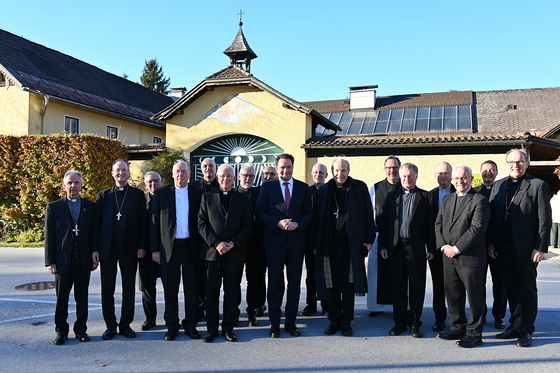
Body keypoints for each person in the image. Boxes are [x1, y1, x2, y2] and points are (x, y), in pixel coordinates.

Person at [489, 149, 552, 347]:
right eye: (511, 162)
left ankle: (526, 330)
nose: (515, 165)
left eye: (519, 162)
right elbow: (493, 218)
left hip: (526, 250)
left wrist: (540, 247)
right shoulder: (499, 186)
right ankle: (515, 324)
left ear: (526, 164)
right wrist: (492, 242)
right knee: (511, 289)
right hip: (504, 248)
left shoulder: (537, 185)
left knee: (527, 290)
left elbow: (544, 219)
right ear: (506, 164)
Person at [314, 158, 375, 336]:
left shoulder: (359, 187)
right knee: (332, 285)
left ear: (349, 171)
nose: (340, 174)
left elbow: (368, 215)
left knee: (348, 285)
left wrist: (369, 240)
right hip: (329, 245)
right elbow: (317, 220)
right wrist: (316, 245)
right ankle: (334, 321)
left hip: (352, 245)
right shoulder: (324, 190)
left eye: (343, 171)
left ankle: (347, 322)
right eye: (337, 171)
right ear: (332, 171)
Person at [256, 153, 313, 338]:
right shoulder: (268, 187)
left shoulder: (303, 188)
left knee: (294, 284)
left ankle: (290, 322)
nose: (285, 170)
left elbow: (309, 213)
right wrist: (277, 223)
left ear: (293, 167)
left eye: (288, 167)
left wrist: (298, 223)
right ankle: (274, 324)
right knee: (274, 284)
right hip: (274, 243)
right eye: (282, 167)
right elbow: (260, 212)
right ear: (277, 167)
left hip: (296, 243)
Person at [378, 163, 436, 338]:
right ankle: (399, 322)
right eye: (404, 176)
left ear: (416, 176)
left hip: (416, 249)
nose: (406, 179)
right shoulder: (391, 196)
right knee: (398, 288)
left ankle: (415, 324)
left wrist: (431, 248)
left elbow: (431, 226)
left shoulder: (426, 197)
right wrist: (383, 246)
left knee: (417, 288)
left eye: (410, 176)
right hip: (396, 249)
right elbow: (385, 224)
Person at [435, 165, 490, 348]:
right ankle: (457, 326)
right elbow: (438, 224)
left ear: (471, 179)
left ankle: (475, 334)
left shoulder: (479, 200)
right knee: (453, 295)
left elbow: (477, 229)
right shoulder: (447, 199)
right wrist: (443, 246)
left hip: (470, 258)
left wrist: (456, 248)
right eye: (456, 178)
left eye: (464, 178)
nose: (460, 181)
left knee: (475, 298)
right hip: (448, 257)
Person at [151, 160, 204, 341]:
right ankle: (172, 325)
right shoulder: (161, 193)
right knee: (170, 290)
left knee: (192, 289)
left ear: (189, 174)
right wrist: (155, 250)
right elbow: (154, 224)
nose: (180, 174)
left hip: (191, 247)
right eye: (177, 171)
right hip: (168, 249)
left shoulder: (198, 193)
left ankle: (191, 324)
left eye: (184, 171)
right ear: (172, 174)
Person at [198, 164, 252, 342]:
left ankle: (228, 328)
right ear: (217, 177)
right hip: (212, 254)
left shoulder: (243, 199)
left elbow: (247, 225)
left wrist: (232, 243)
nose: (225, 179)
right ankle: (211, 330)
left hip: (234, 253)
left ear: (235, 179)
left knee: (231, 293)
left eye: (229, 176)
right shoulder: (207, 197)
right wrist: (216, 243)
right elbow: (201, 224)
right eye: (222, 176)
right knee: (211, 294)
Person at [92, 160, 145, 340]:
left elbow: (142, 224)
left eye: (124, 170)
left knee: (128, 288)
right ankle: (110, 325)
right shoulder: (103, 195)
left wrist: (141, 246)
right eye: (118, 170)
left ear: (128, 173)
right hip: (108, 249)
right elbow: (96, 225)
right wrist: (95, 249)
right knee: (108, 289)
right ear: (112, 173)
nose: (121, 173)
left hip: (129, 248)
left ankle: (125, 324)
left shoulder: (138, 195)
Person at [45, 170, 96, 345]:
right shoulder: (54, 207)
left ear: (82, 185)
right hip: (62, 261)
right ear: (64, 185)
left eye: (76, 183)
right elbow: (49, 237)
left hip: (83, 260)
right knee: (62, 299)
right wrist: (50, 261)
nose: (73, 186)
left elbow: (93, 234)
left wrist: (94, 254)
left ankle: (81, 330)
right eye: (70, 183)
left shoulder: (90, 206)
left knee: (82, 298)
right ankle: (61, 331)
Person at [474, 160, 507, 329]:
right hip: (478, 246)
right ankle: (480, 313)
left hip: (497, 246)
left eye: (491, 170)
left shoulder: (503, 191)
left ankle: (499, 315)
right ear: (481, 173)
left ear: (496, 172)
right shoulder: (475, 192)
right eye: (485, 170)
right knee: (478, 283)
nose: (488, 173)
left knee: (499, 283)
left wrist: (494, 243)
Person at [367, 156, 401, 316]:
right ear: (385, 169)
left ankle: (401, 305)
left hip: (400, 237)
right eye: (389, 167)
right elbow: (368, 214)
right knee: (375, 272)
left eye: (395, 167)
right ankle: (375, 307)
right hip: (378, 235)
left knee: (400, 273)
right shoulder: (375, 188)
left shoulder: (407, 185)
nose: (392, 170)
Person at [189, 157, 220, 320]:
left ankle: (216, 309)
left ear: (216, 168)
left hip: (218, 241)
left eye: (211, 166)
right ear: (201, 169)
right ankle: (200, 309)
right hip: (198, 240)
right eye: (205, 166)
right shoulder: (193, 187)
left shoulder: (222, 185)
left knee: (216, 281)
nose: (208, 168)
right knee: (199, 278)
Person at [237, 164, 266, 326]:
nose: (248, 179)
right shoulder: (233, 193)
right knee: (233, 281)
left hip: (256, 244)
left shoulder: (259, 192)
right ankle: (234, 311)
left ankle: (252, 310)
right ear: (239, 176)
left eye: (251, 176)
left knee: (254, 280)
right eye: (245, 176)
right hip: (237, 244)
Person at [428, 161, 454, 332]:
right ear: (435, 175)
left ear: (451, 174)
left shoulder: (460, 192)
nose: (442, 176)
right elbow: (426, 226)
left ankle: (456, 318)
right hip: (436, 250)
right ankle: (439, 318)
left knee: (455, 286)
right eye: (439, 173)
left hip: (455, 249)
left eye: (445, 172)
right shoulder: (429, 196)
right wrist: (430, 248)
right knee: (438, 286)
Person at [300, 162, 329, 317]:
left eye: (321, 172)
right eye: (316, 172)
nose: (318, 175)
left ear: (326, 175)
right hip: (309, 240)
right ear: (312, 174)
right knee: (310, 275)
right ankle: (311, 305)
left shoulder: (330, 191)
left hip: (325, 241)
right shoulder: (306, 191)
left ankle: (326, 304)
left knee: (326, 274)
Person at [138, 171, 163, 331]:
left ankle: (171, 317)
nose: (153, 184)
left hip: (166, 250)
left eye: (156, 181)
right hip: (145, 252)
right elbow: (138, 227)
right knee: (147, 287)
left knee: (170, 286)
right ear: (145, 184)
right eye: (149, 182)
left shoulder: (168, 198)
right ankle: (150, 319)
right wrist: (140, 247)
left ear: (161, 182)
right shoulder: (141, 202)